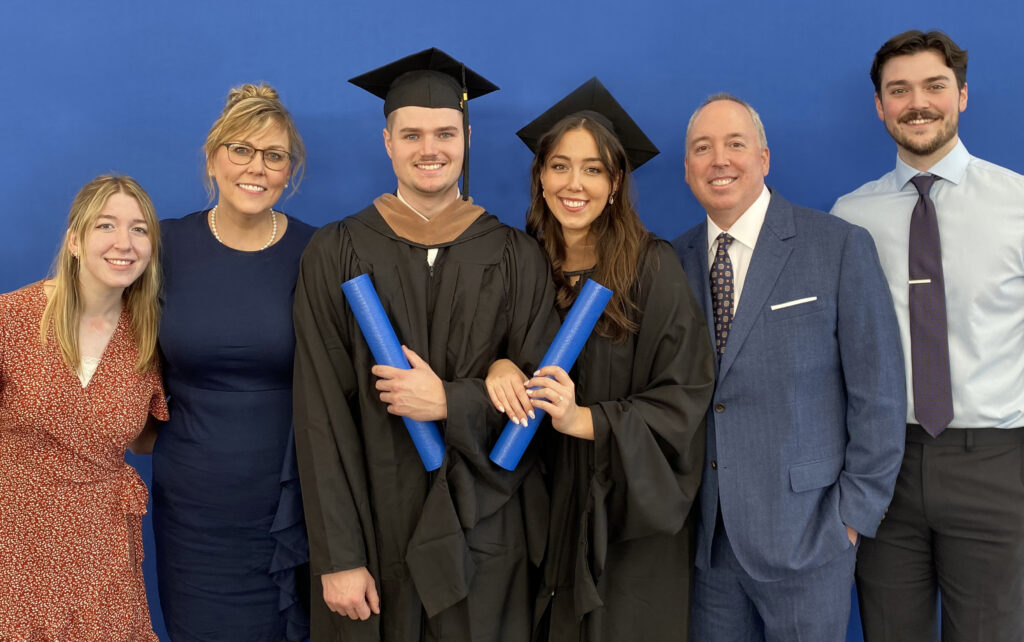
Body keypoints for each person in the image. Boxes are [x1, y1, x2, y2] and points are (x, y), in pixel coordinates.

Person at [292, 48, 560, 641]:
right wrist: (338, 555)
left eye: (444, 132)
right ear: (387, 141)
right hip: (374, 532)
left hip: (488, 530)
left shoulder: (517, 255)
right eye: (411, 134)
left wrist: (453, 401)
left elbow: (544, 399)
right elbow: (319, 416)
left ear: (467, 136)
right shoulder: (335, 252)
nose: (429, 148)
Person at [484, 77, 715, 641]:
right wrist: (497, 367)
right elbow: (481, 354)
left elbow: (686, 392)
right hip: (536, 507)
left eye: (593, 169)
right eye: (560, 166)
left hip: (625, 515)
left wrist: (583, 419)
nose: (575, 183)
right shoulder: (516, 262)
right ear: (540, 177)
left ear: (615, 184)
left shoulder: (651, 268)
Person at [672, 94, 906, 641]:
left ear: (765, 158)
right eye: (702, 149)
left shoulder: (837, 246)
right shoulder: (673, 260)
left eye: (735, 144)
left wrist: (851, 517)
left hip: (810, 535)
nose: (719, 160)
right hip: (708, 544)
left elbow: (881, 393)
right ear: (687, 169)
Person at [831, 30, 1024, 641]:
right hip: (883, 469)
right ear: (880, 106)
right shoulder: (849, 219)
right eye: (899, 90)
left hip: (996, 464)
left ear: (962, 95)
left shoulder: (1019, 206)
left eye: (935, 86)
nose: (919, 102)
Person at [152, 83, 316, 641]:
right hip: (193, 508)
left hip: (289, 503)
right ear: (212, 155)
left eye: (274, 155)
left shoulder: (317, 253)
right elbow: (97, 318)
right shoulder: (164, 245)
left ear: (289, 169)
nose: (257, 167)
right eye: (240, 150)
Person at [0, 175, 167, 640]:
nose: (124, 243)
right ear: (75, 240)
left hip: (102, 553)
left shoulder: (149, 339)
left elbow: (142, 437)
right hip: (15, 548)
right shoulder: (11, 319)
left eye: (139, 229)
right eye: (106, 226)